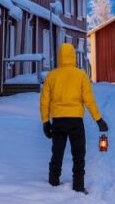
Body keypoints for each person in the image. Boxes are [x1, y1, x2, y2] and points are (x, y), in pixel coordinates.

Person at [40, 42, 108, 194]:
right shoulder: (81, 75)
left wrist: (45, 122)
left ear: (60, 57)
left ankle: (53, 181)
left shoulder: (52, 76)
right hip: (75, 122)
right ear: (73, 56)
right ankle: (78, 185)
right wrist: (99, 120)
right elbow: (89, 100)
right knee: (78, 153)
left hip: (58, 120)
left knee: (57, 152)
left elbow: (44, 101)